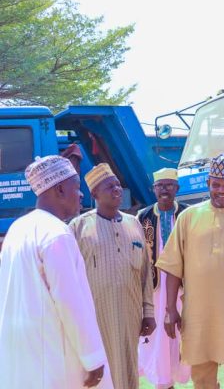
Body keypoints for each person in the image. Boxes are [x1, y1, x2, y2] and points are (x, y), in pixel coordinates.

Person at [0, 156, 108, 388]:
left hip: (19, 353)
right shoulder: (56, 234)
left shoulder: (18, 229)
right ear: (59, 189)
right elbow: (70, 302)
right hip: (51, 354)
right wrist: (93, 358)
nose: (81, 195)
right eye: (76, 187)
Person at [157, 155, 224, 389]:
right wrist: (170, 310)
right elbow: (173, 267)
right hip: (198, 315)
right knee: (202, 380)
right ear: (208, 183)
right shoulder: (188, 217)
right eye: (216, 184)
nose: (221, 190)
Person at [70, 163, 157, 389]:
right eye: (109, 186)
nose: (116, 189)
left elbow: (146, 273)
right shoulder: (78, 227)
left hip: (130, 314)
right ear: (94, 194)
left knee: (129, 369)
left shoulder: (133, 224)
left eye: (118, 185)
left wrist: (148, 312)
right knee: (101, 370)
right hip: (95, 317)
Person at [137, 168, 191, 389]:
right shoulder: (143, 216)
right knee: (159, 336)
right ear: (154, 189)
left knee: (184, 334)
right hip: (156, 287)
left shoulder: (188, 214)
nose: (164, 189)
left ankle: (186, 375)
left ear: (177, 188)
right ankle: (163, 381)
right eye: (160, 186)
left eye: (169, 185)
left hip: (184, 287)